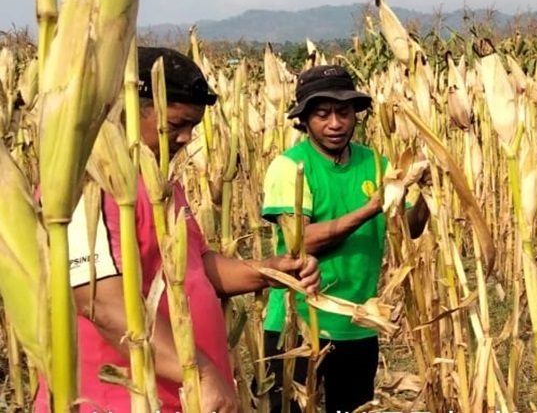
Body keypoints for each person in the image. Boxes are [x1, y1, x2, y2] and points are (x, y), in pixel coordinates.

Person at [35, 46, 321, 413]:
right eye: (176, 125)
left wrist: (268, 270)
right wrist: (199, 374)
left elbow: (196, 267)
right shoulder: (82, 187)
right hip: (117, 402)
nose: (186, 139)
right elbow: (102, 304)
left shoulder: (160, 186)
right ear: (126, 111)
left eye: (193, 127)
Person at [261, 64, 431, 413]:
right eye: (322, 114)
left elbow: (412, 226)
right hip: (299, 323)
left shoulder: (376, 163)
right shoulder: (290, 166)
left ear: (356, 114)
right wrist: (368, 210)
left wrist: (426, 190)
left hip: (358, 323)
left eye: (344, 112)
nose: (335, 123)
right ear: (304, 120)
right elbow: (299, 242)